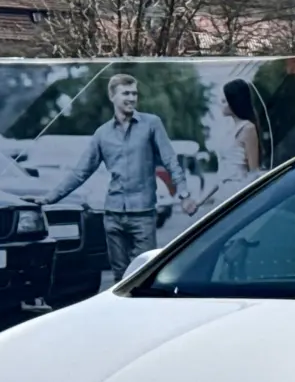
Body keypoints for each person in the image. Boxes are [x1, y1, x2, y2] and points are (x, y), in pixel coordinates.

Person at [36, 74, 199, 281]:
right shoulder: (102, 134)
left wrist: (184, 195)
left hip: (143, 215)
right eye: (126, 93)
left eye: (134, 94)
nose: (131, 98)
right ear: (112, 96)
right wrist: (49, 198)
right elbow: (81, 172)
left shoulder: (152, 124)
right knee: (120, 278)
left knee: (144, 275)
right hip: (112, 216)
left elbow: (170, 161)